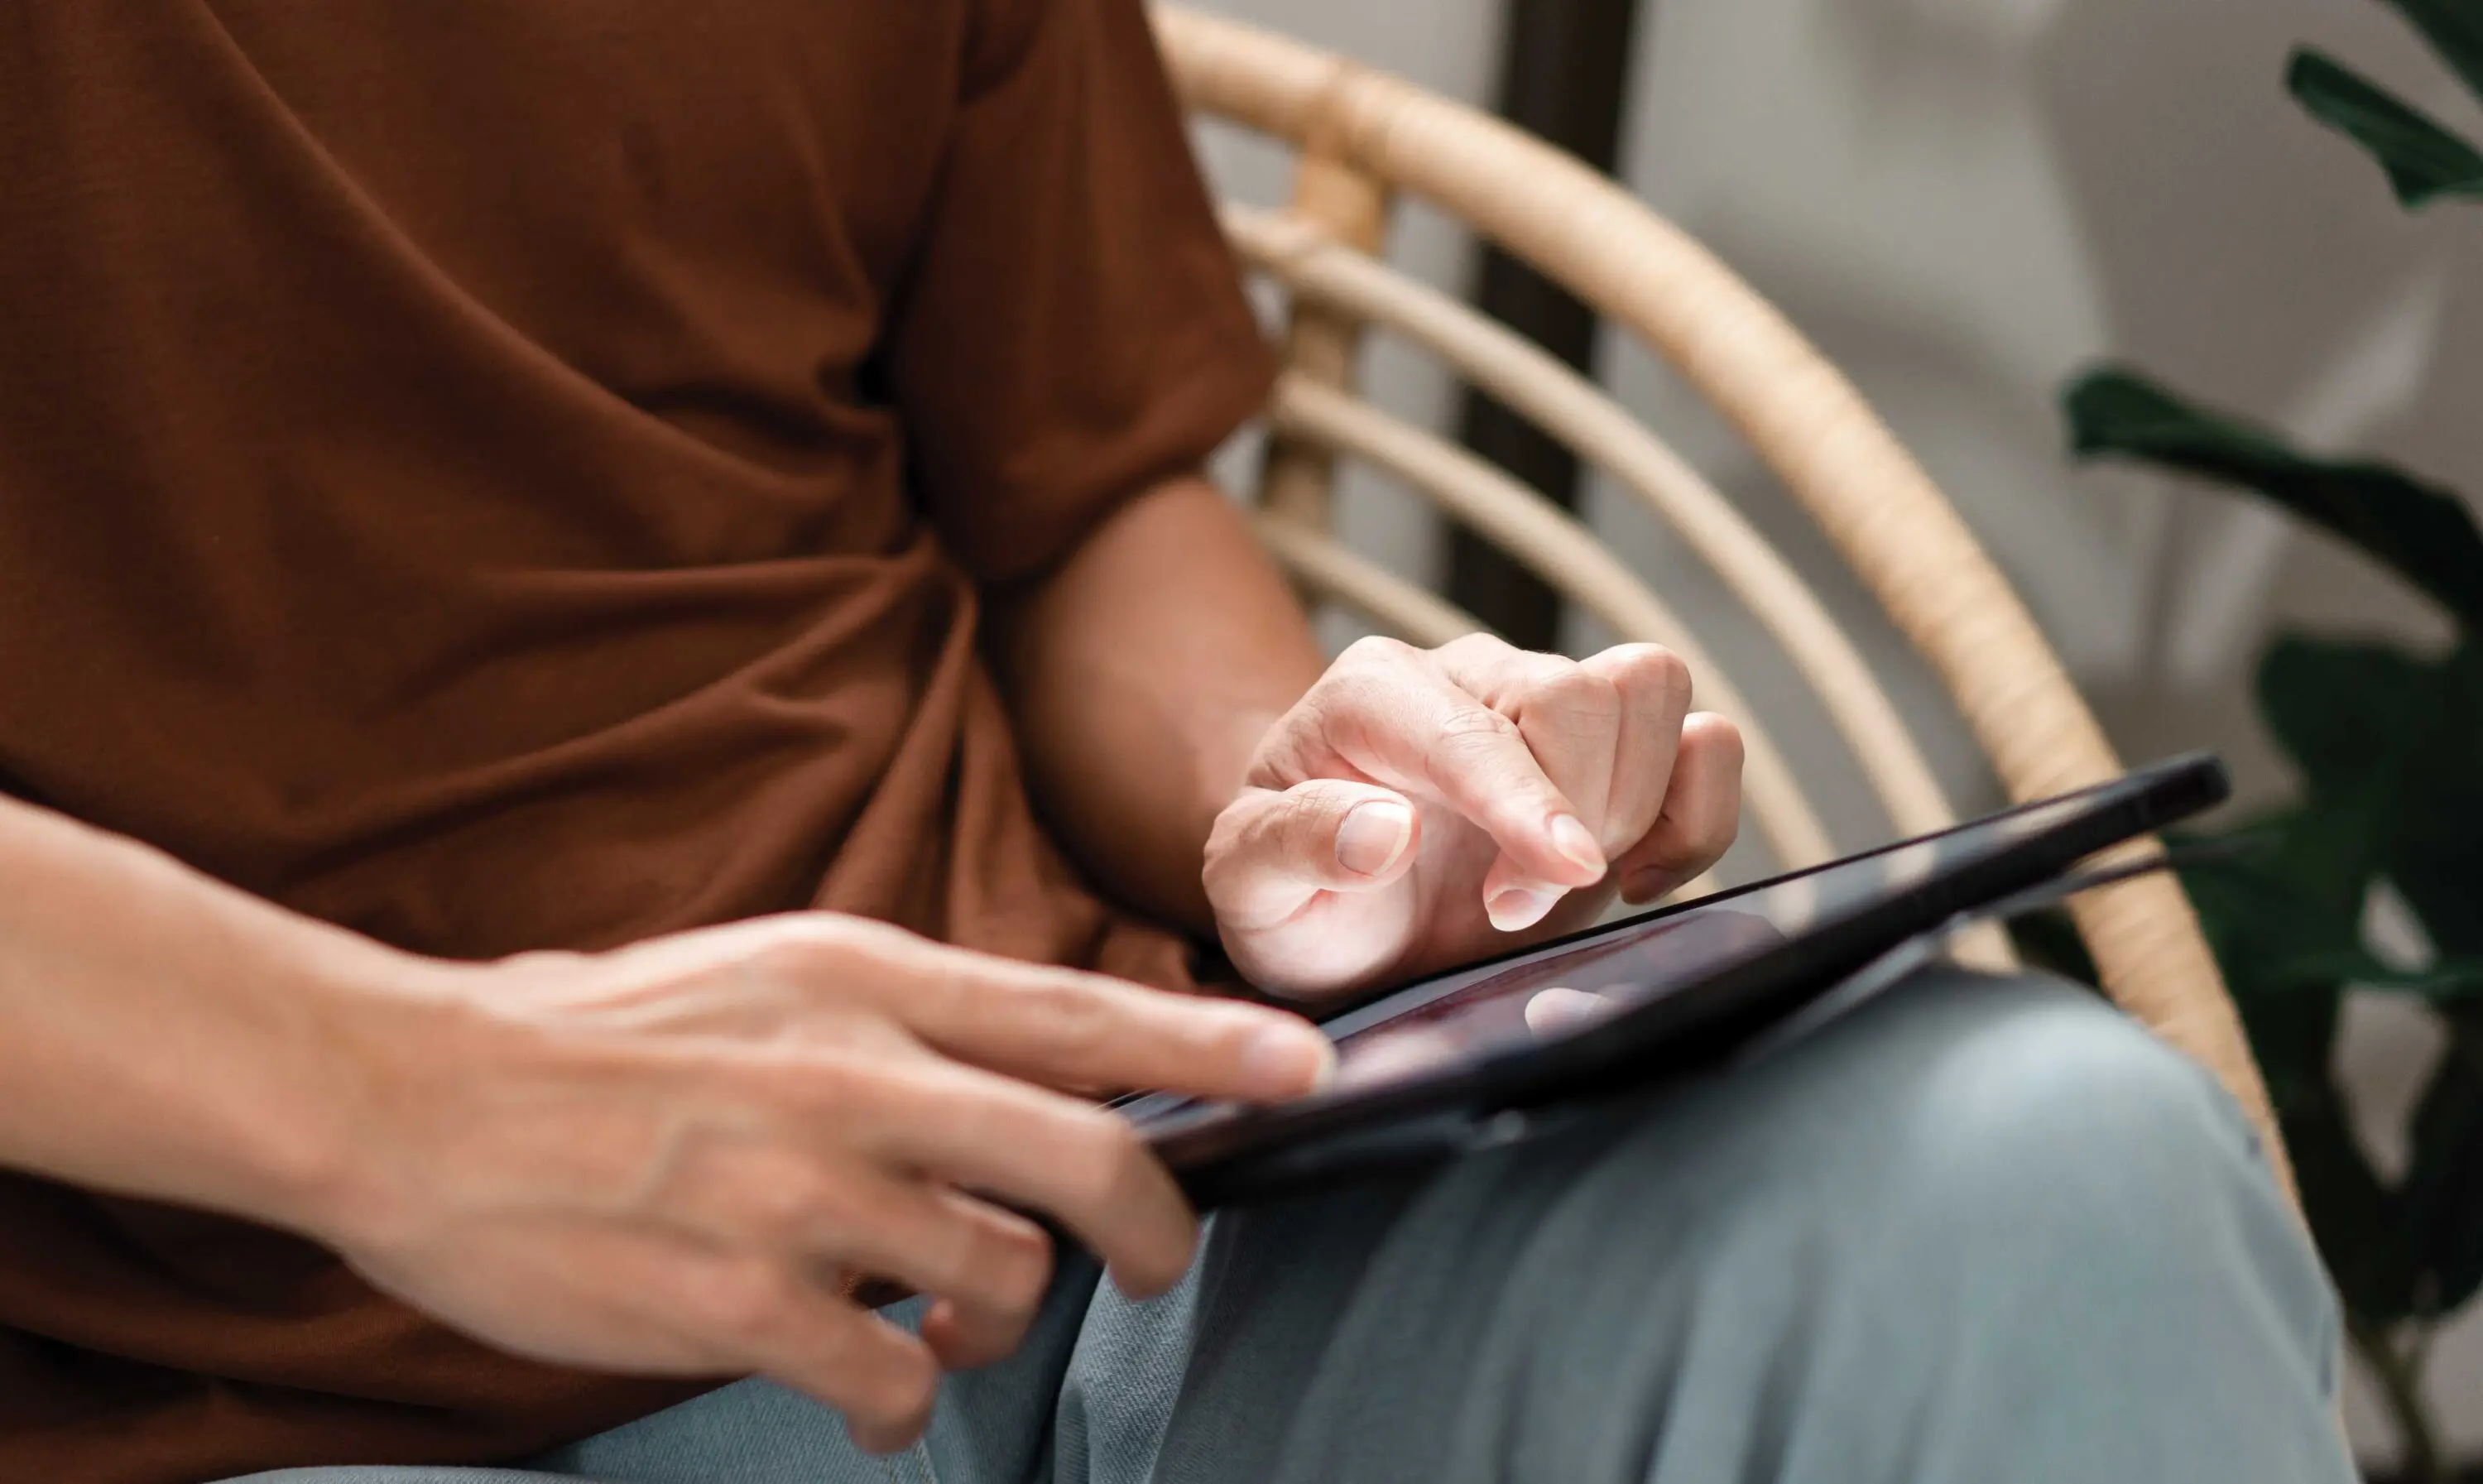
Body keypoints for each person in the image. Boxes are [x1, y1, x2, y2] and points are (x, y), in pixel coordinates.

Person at [0, 3, 2351, 1482]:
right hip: (270, 1386)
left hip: (1107, 1213)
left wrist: (1309, 786)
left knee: (2044, 1173)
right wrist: (406, 1099)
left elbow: (1083, 494)